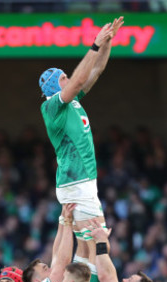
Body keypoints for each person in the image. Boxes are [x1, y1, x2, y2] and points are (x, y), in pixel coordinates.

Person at [38, 16, 124, 269]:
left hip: (80, 181)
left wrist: (107, 42)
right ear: (56, 83)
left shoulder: (72, 101)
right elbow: (77, 81)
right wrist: (94, 45)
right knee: (101, 245)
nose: (70, 77)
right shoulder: (52, 106)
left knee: (87, 248)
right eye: (65, 76)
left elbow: (95, 71)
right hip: (77, 182)